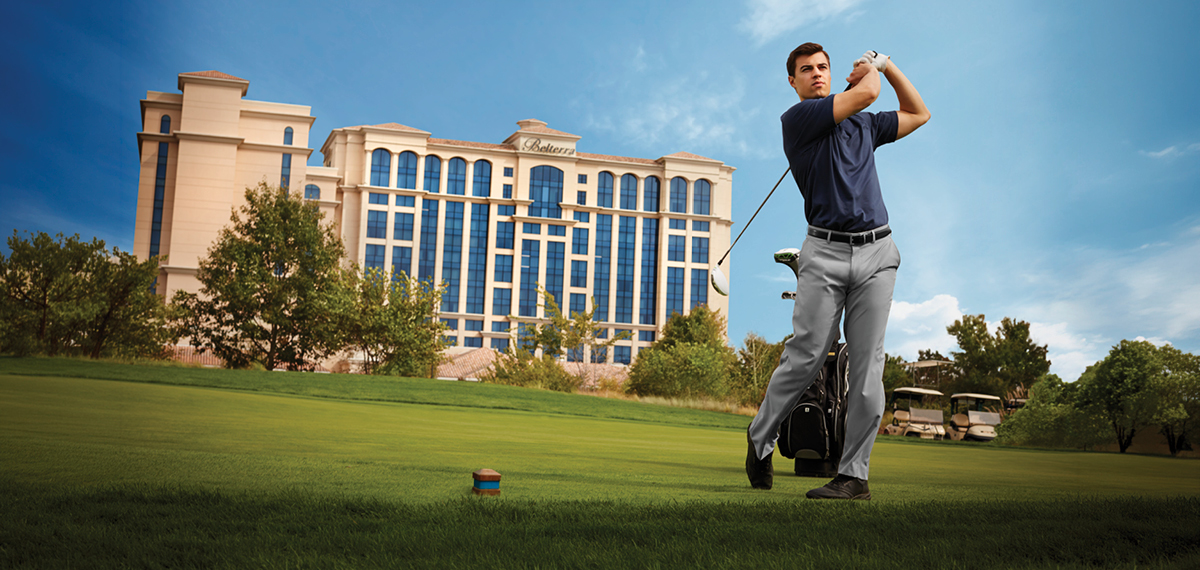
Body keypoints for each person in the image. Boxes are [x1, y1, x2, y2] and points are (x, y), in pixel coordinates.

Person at [745, 43, 930, 499]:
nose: (816, 74)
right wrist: (870, 71)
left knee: (867, 368)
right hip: (824, 254)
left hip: (878, 251)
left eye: (823, 68)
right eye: (806, 70)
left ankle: (855, 476)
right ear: (793, 81)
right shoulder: (797, 119)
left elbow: (919, 113)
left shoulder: (864, 125)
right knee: (807, 354)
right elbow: (867, 94)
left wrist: (885, 65)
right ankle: (760, 437)